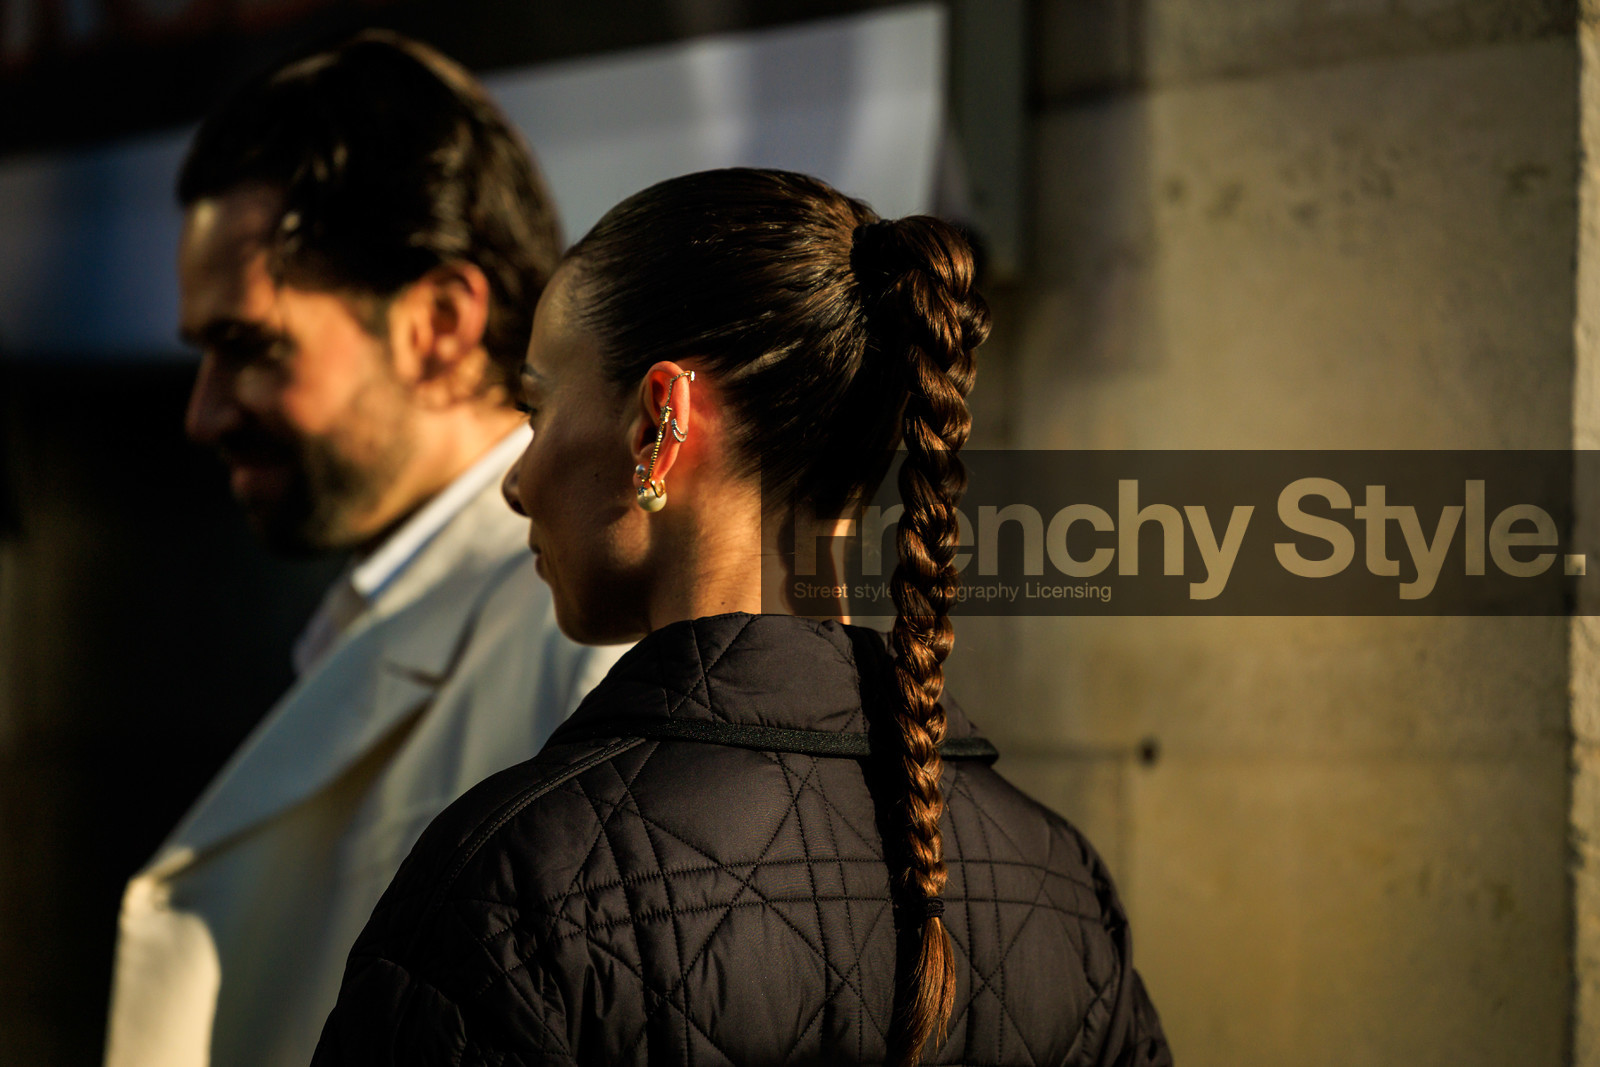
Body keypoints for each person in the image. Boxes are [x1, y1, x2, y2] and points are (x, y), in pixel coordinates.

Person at [312, 168, 1170, 1066]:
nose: (516, 483)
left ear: (659, 425)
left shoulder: (514, 890)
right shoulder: (1060, 886)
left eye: (535, 408)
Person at [104, 33, 626, 1067]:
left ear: (437, 322)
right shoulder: (424, 605)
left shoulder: (595, 643)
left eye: (249, 347)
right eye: (201, 353)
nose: (203, 412)